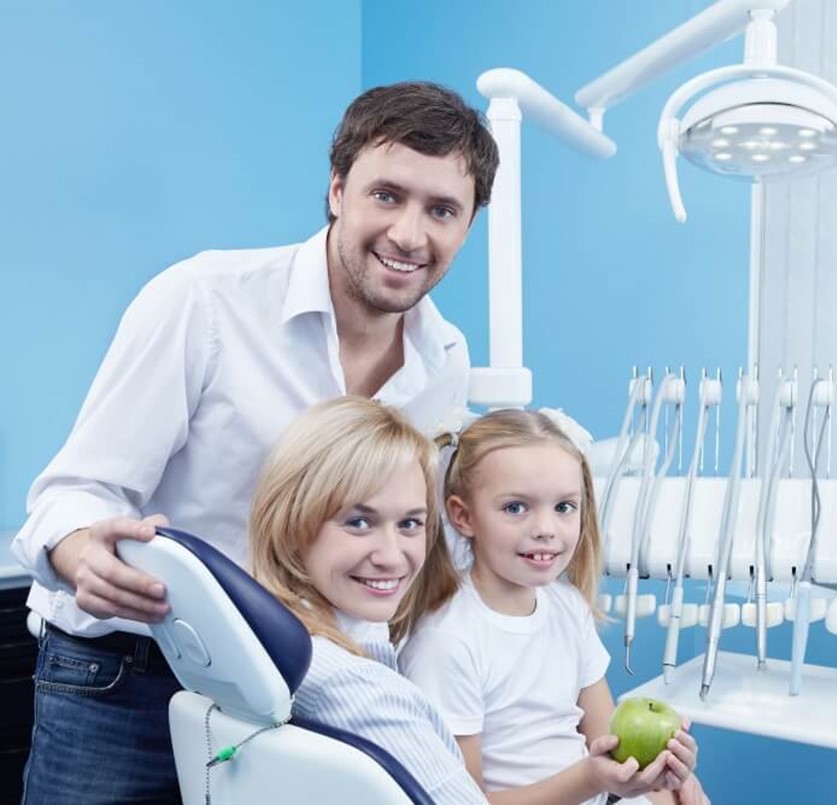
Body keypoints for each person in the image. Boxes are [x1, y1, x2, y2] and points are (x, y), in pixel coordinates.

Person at [12, 81, 498, 803]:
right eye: (387, 195)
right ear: (338, 190)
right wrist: (78, 548)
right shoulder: (204, 301)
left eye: (441, 210)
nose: (408, 233)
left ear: (468, 224)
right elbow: (71, 494)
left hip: (288, 683)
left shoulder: (443, 361)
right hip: (125, 671)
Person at [399, 409, 710, 805]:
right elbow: (466, 802)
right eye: (516, 508)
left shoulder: (566, 607)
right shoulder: (447, 640)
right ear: (463, 516)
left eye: (564, 507)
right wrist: (592, 780)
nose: (546, 528)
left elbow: (608, 743)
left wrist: (659, 779)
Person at [250, 396, 486, 803]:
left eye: (410, 523)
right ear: (291, 524)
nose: (392, 556)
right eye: (359, 523)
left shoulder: (258, 642)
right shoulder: (357, 688)